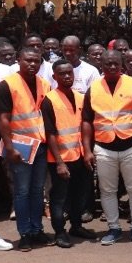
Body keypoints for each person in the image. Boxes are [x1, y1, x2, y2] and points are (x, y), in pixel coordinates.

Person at [82, 50, 132, 246]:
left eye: (115, 63)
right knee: (107, 191)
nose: (112, 67)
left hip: (131, 147)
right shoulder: (93, 89)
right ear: (101, 66)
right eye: (108, 64)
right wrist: (87, 150)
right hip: (104, 149)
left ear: (122, 65)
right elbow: (87, 121)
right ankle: (114, 228)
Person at [0, 48, 52, 251]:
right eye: (28, 60)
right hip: (19, 147)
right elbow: (3, 119)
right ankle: (25, 233)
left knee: (38, 191)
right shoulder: (7, 85)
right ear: (19, 60)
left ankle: (37, 230)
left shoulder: (44, 84)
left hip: (40, 145)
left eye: (36, 61)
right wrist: (9, 148)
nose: (32, 64)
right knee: (21, 192)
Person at [42, 60, 94, 247]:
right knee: (60, 197)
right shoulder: (49, 100)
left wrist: (87, 152)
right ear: (54, 77)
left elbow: (86, 127)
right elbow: (50, 133)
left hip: (80, 156)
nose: (66, 76)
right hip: (61, 159)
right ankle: (59, 232)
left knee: (80, 194)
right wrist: (59, 162)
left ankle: (76, 226)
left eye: (69, 73)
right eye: (62, 74)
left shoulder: (81, 97)